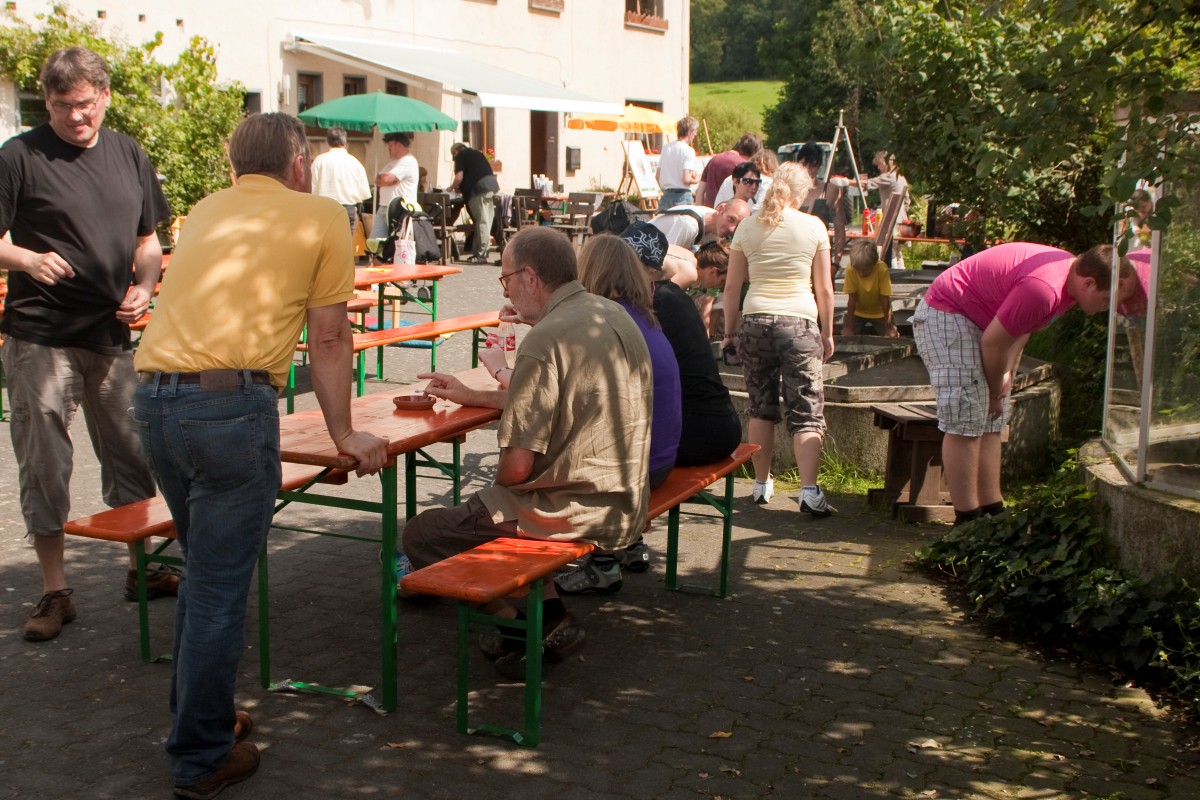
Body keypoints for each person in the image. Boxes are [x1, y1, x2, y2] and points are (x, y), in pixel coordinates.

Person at [133, 112, 389, 799]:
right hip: (229, 411)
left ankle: (199, 717)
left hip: (156, 403)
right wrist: (343, 437)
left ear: (234, 167)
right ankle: (199, 756)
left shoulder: (208, 210)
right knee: (218, 587)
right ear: (300, 165)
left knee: (202, 575)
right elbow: (330, 341)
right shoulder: (322, 218)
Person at [406, 227, 652, 676]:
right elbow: (569, 401)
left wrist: (487, 502)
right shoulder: (611, 313)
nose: (508, 293)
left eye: (505, 280)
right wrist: (473, 395)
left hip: (575, 507)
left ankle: (521, 627)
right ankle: (551, 615)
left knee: (423, 533)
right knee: (494, 516)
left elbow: (516, 471)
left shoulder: (544, 339)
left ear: (530, 277)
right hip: (627, 495)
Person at [0, 46, 174, 642]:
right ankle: (55, 591)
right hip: (40, 336)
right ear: (45, 102)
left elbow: (147, 240)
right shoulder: (18, 156)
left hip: (111, 334)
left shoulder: (127, 151)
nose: (75, 118)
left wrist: (145, 286)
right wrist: (24, 257)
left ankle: (140, 570)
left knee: (131, 453)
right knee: (45, 463)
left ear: (104, 96)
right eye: (60, 106)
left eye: (84, 105)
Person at [911, 242, 1132, 525]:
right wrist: (993, 390)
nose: (1107, 308)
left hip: (980, 322)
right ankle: (967, 519)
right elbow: (993, 343)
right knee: (966, 416)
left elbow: (1022, 329)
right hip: (948, 313)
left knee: (994, 417)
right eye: (1106, 300)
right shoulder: (1045, 288)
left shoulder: (1067, 283)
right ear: (1089, 283)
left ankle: (992, 508)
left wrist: (1007, 376)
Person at [552, 233, 682, 592]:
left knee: (534, 463)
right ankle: (630, 543)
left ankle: (602, 564)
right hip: (663, 457)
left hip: (637, 470)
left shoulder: (601, 322)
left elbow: (558, 398)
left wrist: (501, 374)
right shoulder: (640, 315)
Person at [722, 162, 837, 516]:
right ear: (802, 193)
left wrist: (729, 331)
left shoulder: (747, 226)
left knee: (761, 406)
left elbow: (731, 287)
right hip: (799, 323)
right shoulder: (814, 226)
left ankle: (760, 485)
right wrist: (828, 332)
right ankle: (808, 491)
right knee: (806, 410)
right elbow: (825, 290)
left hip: (755, 321)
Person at [310, 126, 371, 236]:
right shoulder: (355, 163)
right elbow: (364, 193)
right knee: (345, 246)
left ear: (328, 141)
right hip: (348, 209)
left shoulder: (319, 161)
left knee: (325, 245)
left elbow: (311, 188)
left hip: (325, 208)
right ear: (345, 141)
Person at [450, 142, 500, 264]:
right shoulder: (477, 153)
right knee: (486, 222)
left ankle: (481, 255)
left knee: (482, 222)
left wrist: (451, 187)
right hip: (491, 186)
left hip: (478, 190)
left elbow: (459, 177)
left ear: (455, 151)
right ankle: (478, 252)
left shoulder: (461, 156)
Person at [842, 239, 899, 338]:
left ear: (874, 264)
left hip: (880, 312)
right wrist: (849, 327)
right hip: (858, 312)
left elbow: (885, 299)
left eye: (865, 270)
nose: (861, 273)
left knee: (891, 337)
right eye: (858, 270)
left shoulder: (881, 269)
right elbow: (852, 299)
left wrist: (888, 326)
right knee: (847, 336)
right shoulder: (851, 269)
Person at [649, 199, 751, 252]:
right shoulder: (689, 225)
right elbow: (666, 258)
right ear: (720, 209)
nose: (732, 229)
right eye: (731, 219)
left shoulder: (713, 224)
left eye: (738, 226)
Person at [370, 131, 419, 241]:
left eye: (390, 145)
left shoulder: (408, 161)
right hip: (384, 207)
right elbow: (378, 179)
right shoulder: (392, 162)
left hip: (399, 210)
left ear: (399, 145)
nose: (388, 148)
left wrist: (386, 180)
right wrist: (387, 180)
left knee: (397, 245)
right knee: (375, 243)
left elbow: (385, 179)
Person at [697, 133, 762, 208]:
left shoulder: (713, 160)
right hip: (730, 213)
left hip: (710, 212)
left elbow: (700, 191)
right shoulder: (743, 167)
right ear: (753, 152)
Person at [656, 115, 701, 211]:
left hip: (666, 196)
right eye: (695, 131)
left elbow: (657, 176)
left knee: (663, 226)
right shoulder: (688, 151)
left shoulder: (666, 148)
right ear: (689, 132)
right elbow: (686, 179)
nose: (696, 134)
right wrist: (696, 180)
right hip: (682, 196)